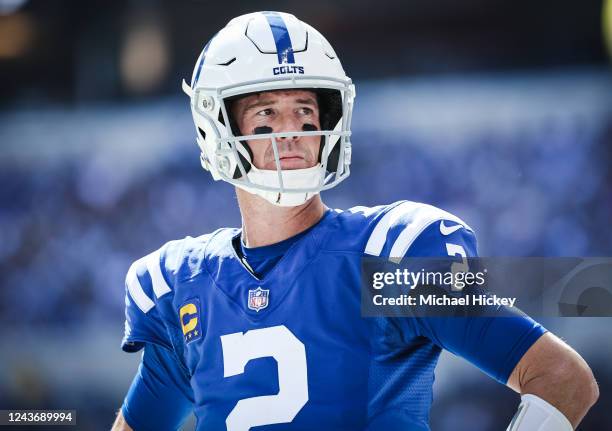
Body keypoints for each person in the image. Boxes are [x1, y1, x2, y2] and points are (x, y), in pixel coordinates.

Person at [112, 11, 598, 431]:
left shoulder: (387, 258)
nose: (293, 134)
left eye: (305, 113)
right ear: (216, 127)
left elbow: (562, 378)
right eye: (265, 117)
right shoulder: (185, 287)